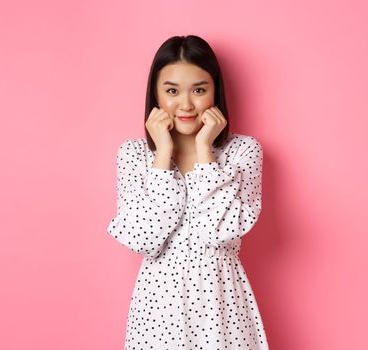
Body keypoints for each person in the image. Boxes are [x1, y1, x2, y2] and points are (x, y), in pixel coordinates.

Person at [106, 35, 269, 349]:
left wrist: (205, 150)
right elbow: (144, 239)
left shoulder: (242, 152)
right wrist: (162, 156)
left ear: (215, 91)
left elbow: (218, 231)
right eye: (171, 91)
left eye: (199, 89)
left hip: (221, 306)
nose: (185, 104)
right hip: (157, 308)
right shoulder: (134, 156)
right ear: (155, 94)